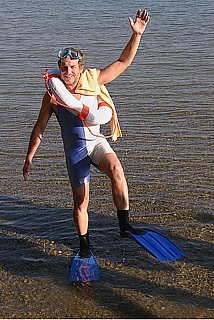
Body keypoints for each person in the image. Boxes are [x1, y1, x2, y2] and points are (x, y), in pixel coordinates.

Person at [23, 8, 150, 258]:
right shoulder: (52, 97)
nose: (67, 71)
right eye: (63, 67)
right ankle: (84, 246)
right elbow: (39, 128)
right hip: (76, 152)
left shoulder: (94, 80)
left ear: (80, 68)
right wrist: (29, 157)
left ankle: (124, 225)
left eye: (72, 67)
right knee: (81, 202)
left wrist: (136, 35)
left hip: (97, 144)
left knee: (117, 170)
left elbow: (123, 62)